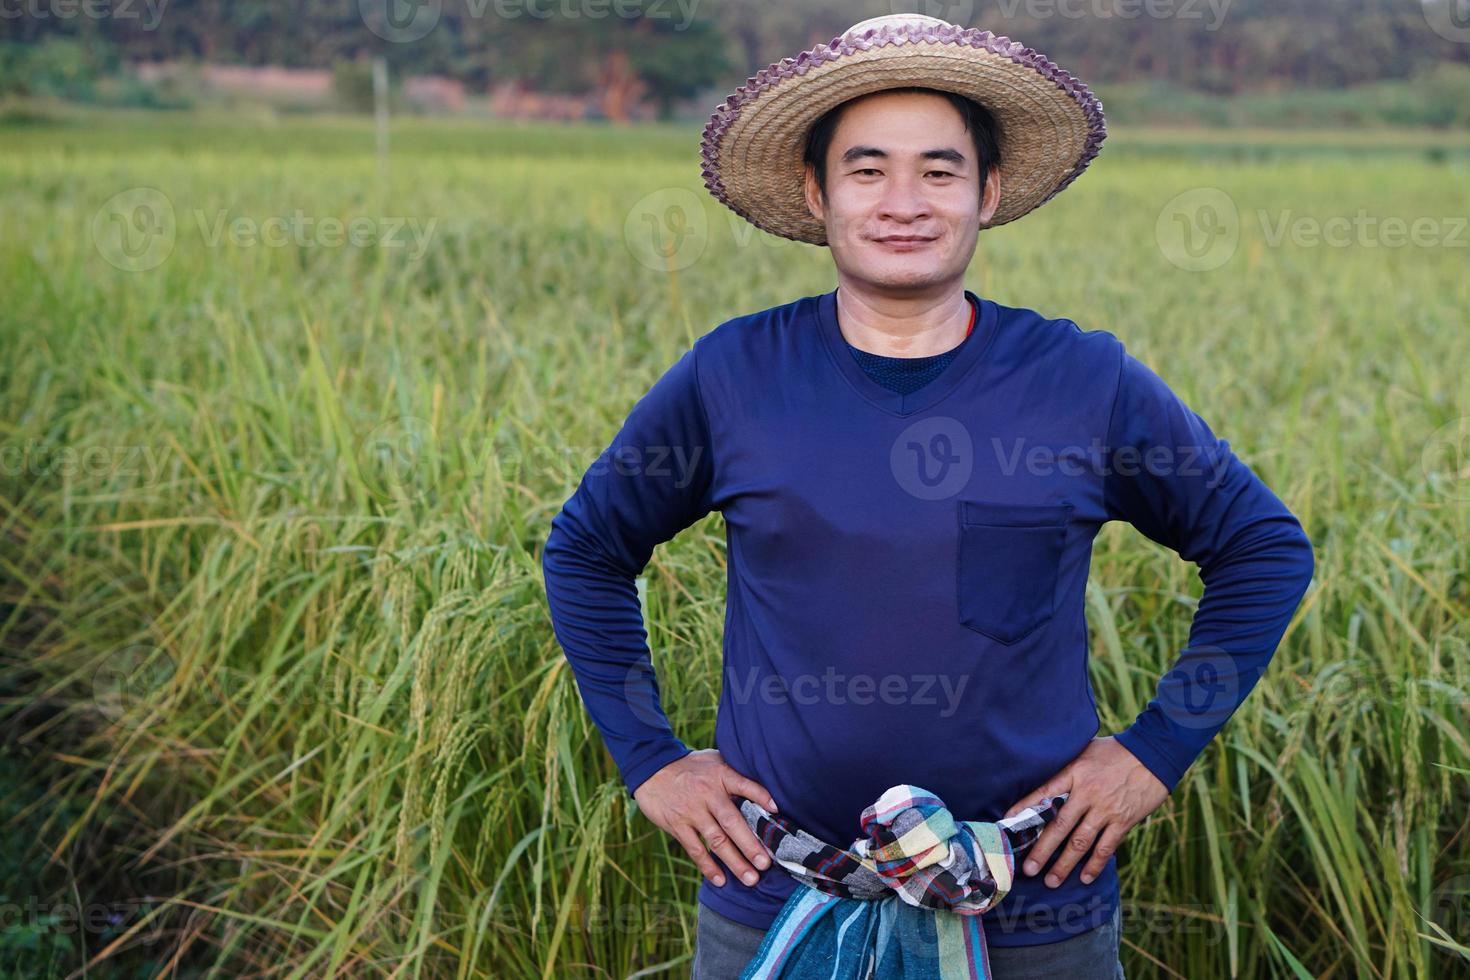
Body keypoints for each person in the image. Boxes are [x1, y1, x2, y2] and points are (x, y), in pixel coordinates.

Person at [542, 13, 1314, 978]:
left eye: (939, 171)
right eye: (867, 170)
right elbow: (586, 550)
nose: (903, 201)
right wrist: (650, 758)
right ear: (815, 191)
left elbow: (1263, 548)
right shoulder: (732, 375)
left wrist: (1154, 751)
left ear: (987, 192)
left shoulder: (1083, 381)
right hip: (781, 895)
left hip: (1032, 906)